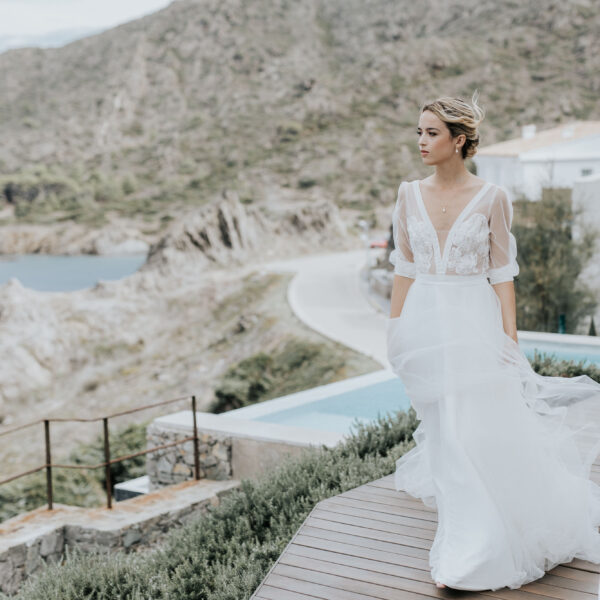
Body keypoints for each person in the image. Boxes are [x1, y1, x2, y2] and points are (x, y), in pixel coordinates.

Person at [386, 92, 600, 591]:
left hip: (472, 321)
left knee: (468, 429)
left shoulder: (492, 198)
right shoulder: (407, 194)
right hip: (423, 322)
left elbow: (503, 275)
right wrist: (394, 328)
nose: (421, 141)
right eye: (418, 132)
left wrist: (510, 341)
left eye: (432, 133)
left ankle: (474, 551)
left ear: (460, 141)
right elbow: (404, 268)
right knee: (443, 428)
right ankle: (467, 526)